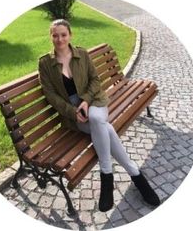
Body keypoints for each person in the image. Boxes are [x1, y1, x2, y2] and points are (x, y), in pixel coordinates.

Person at [38, 19, 160, 212]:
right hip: (72, 113)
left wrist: (85, 100)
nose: (59, 39)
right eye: (55, 35)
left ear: (70, 35)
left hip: (94, 101)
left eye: (63, 34)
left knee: (96, 119)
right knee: (105, 127)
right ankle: (136, 175)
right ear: (51, 36)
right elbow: (50, 95)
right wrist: (73, 111)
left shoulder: (82, 54)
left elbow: (95, 80)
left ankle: (106, 176)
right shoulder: (45, 63)